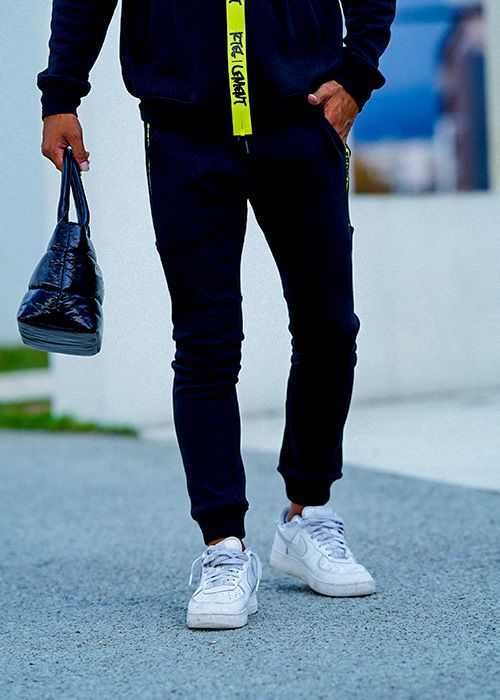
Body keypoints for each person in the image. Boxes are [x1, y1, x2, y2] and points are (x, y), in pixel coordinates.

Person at [38, 0, 397, 630]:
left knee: (329, 328)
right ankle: (223, 547)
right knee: (206, 341)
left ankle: (307, 515)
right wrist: (61, 95)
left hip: (301, 116)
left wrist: (357, 75)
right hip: (185, 127)